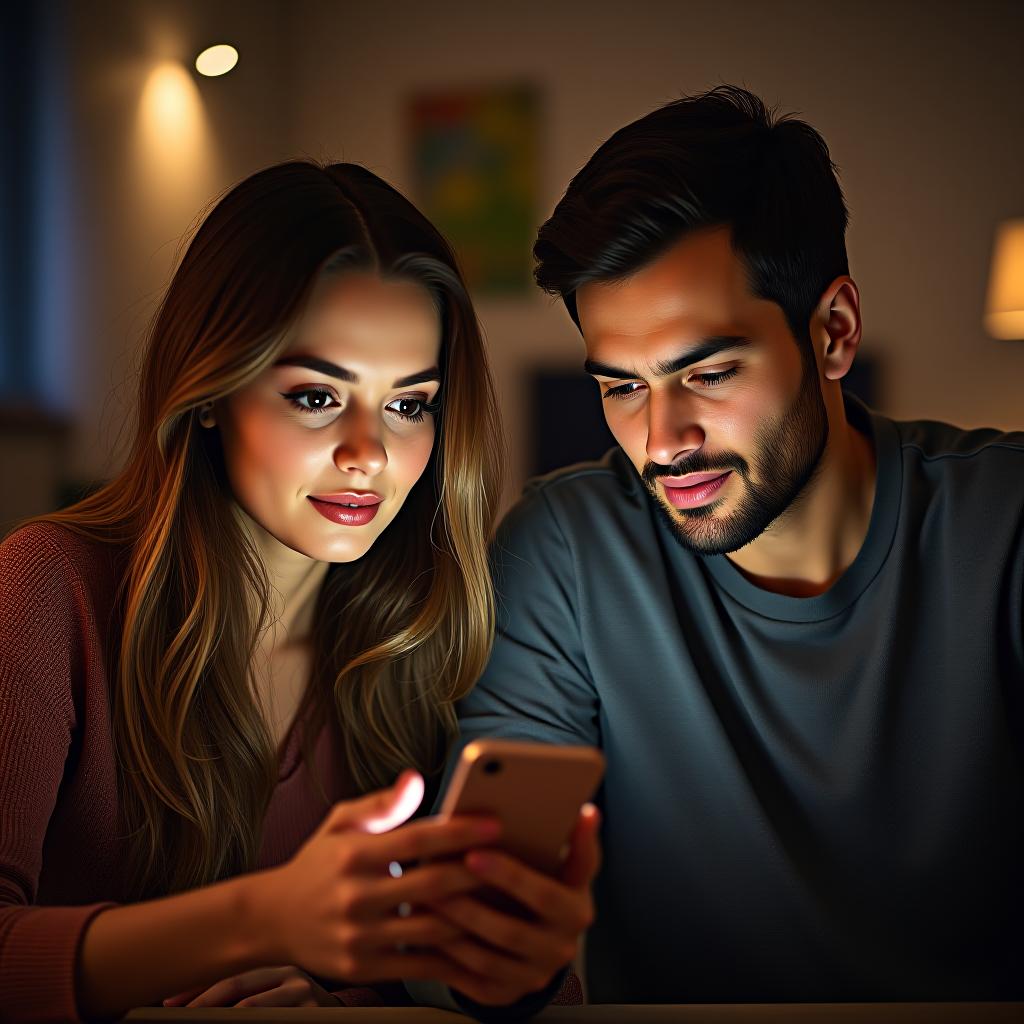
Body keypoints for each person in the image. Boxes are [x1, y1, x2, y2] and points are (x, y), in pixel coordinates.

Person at [446, 86, 1024, 1005]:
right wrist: (487, 964)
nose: (662, 439)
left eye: (708, 373)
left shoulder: (1007, 523)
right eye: (621, 387)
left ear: (833, 332)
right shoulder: (567, 552)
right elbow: (479, 931)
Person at [0, 161, 596, 1023]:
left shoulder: (429, 634)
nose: (369, 454)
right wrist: (261, 922)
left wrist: (395, 987)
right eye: (317, 396)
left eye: (409, 404)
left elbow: (470, 985)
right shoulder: (46, 589)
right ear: (209, 392)